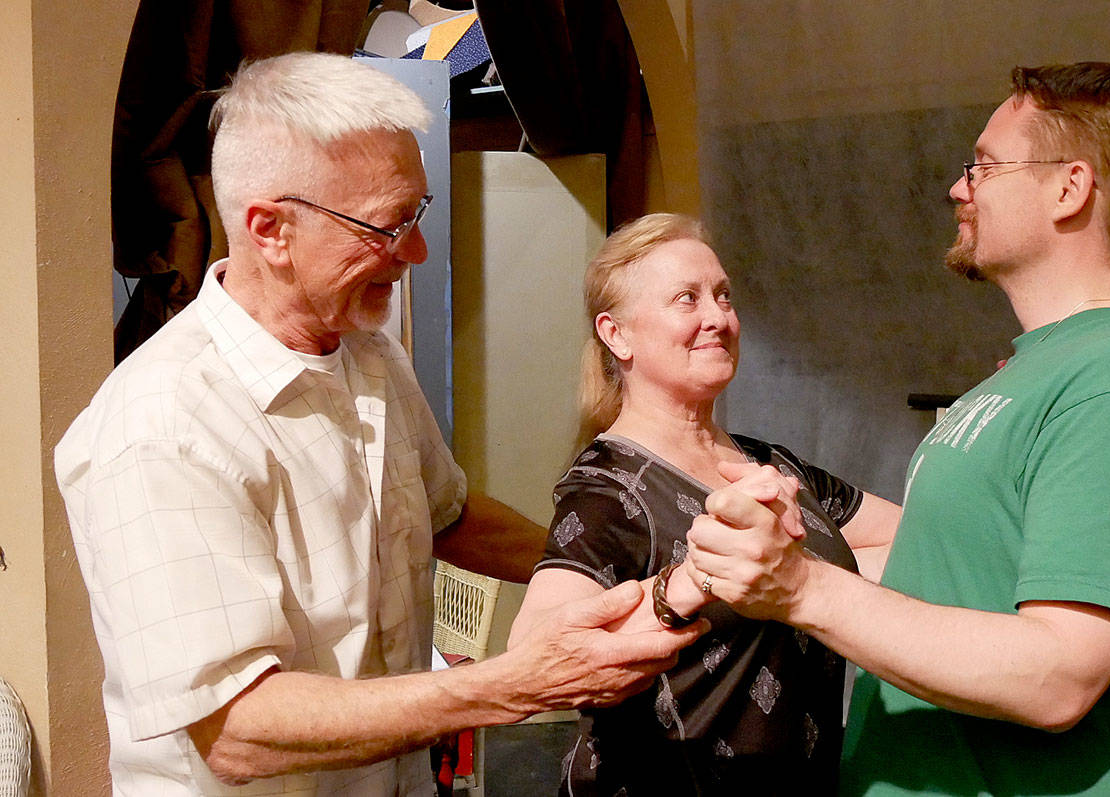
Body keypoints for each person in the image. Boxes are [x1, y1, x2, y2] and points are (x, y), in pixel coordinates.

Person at [53, 52, 702, 796]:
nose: (415, 252)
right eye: (388, 226)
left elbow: (445, 514)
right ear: (270, 230)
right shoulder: (161, 427)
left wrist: (615, 573)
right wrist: (517, 683)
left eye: (416, 213)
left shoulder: (367, 352)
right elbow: (234, 728)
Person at [683, 61, 1110, 795]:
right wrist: (794, 544)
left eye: (984, 166)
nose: (958, 187)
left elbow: (1058, 675)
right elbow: (948, 577)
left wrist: (802, 588)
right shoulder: (1024, 376)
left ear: (1070, 187)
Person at [507, 213, 902, 795]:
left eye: (722, 296)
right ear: (617, 335)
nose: (718, 317)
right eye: (686, 300)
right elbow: (535, 656)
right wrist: (698, 577)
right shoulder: (606, 489)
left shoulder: (772, 465)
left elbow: (912, 541)